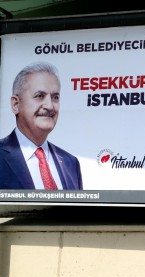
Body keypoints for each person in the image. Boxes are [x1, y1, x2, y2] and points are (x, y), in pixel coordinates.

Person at [0, 61, 83, 190]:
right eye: (39, 96)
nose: (50, 106)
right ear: (16, 104)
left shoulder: (71, 163)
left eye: (55, 97)